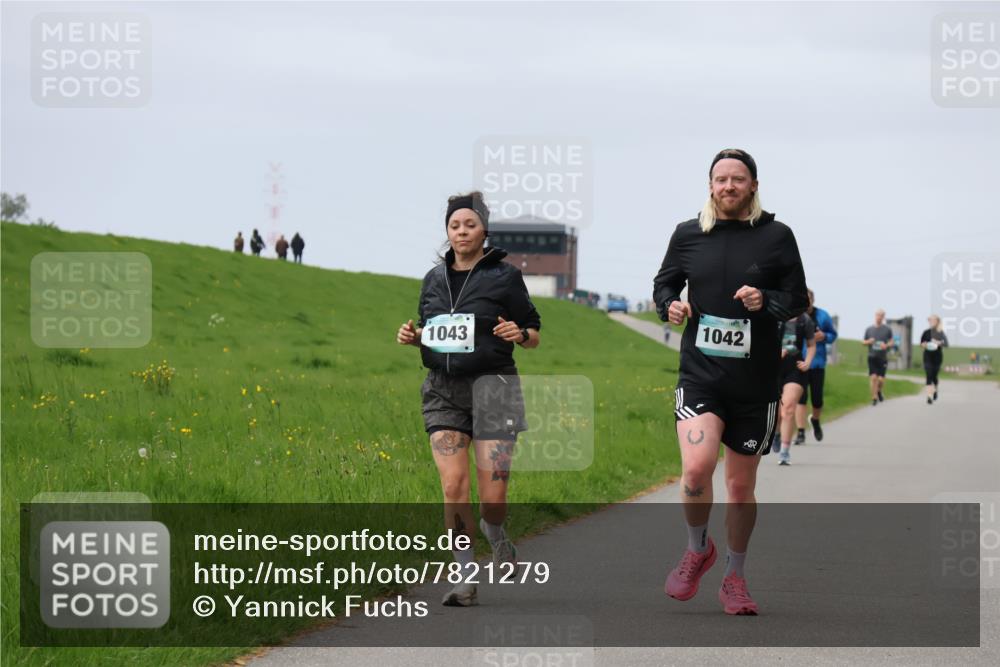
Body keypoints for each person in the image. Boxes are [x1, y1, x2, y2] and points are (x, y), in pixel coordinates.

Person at [653, 148, 808, 615]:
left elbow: (797, 298)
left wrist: (766, 300)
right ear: (710, 186)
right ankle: (698, 547)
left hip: (755, 382)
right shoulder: (688, 235)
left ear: (754, 185)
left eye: (737, 179)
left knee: (740, 488)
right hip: (701, 374)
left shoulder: (777, 236)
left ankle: (735, 577)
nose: (728, 187)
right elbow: (664, 285)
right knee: (697, 470)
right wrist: (671, 306)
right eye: (720, 179)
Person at [396, 191, 541, 607]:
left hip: (495, 388)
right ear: (447, 230)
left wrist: (520, 334)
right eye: (455, 225)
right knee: (453, 484)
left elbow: (532, 332)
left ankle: (495, 534)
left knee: (493, 497)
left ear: (483, 230)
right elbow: (433, 331)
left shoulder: (505, 277)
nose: (461, 231)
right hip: (444, 391)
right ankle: (464, 576)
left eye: (470, 224)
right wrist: (414, 337)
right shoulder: (432, 280)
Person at [794, 289, 837, 444]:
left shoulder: (823, 316)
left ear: (813, 300)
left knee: (817, 400)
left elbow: (833, 335)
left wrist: (824, 336)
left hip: (817, 363)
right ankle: (800, 433)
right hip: (799, 363)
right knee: (801, 399)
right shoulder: (795, 317)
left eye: (809, 299)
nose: (807, 302)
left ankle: (816, 421)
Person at [775, 312, 816, 465]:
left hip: (795, 368)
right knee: (776, 414)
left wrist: (808, 362)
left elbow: (811, 345)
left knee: (788, 409)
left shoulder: (804, 320)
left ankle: (784, 453)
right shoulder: (774, 313)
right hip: (774, 368)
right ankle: (777, 433)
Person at [863, 309, 894, 406]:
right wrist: (869, 342)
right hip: (872, 356)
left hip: (882, 357)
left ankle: (879, 391)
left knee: (880, 379)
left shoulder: (887, 329)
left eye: (881, 315)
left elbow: (892, 342)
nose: (879, 317)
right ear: (875, 315)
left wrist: (887, 345)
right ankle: (874, 398)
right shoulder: (869, 329)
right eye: (877, 315)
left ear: (883, 317)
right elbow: (863, 342)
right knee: (873, 378)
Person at [920, 315, 949, 404]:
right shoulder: (926, 332)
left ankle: (935, 388)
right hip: (927, 356)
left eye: (933, 321)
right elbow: (922, 343)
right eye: (930, 321)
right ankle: (929, 396)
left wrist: (939, 342)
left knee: (934, 376)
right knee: (929, 375)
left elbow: (946, 344)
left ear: (937, 322)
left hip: (937, 357)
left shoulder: (940, 333)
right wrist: (923, 345)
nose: (931, 322)